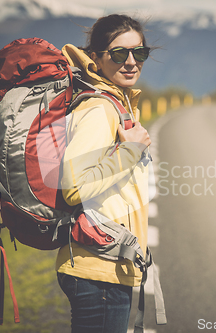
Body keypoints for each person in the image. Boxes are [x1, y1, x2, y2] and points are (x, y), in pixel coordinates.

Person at [56, 14, 153, 333]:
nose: (130, 62)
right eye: (118, 53)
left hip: (107, 266)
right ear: (95, 57)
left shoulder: (117, 105)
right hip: (98, 272)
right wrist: (131, 151)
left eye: (139, 53)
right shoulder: (100, 110)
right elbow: (74, 186)